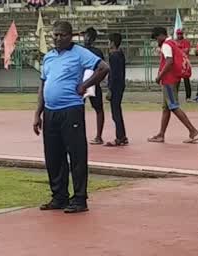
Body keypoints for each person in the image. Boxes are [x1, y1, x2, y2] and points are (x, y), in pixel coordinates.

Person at [33, 20, 109, 213]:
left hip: (71, 109)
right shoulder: (48, 57)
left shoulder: (79, 53)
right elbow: (43, 85)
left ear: (71, 36)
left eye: (62, 35)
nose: (58, 38)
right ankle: (59, 196)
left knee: (76, 154)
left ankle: (79, 198)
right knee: (53, 156)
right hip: (50, 111)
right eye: (55, 35)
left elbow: (103, 68)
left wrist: (85, 85)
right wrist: (37, 113)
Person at [147, 27, 198, 144]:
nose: (157, 41)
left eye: (157, 38)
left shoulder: (166, 45)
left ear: (161, 35)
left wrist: (160, 76)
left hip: (168, 80)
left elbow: (169, 61)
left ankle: (192, 130)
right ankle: (161, 134)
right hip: (173, 79)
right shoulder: (173, 43)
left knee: (173, 106)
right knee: (166, 108)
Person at [82, 27, 106, 145]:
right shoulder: (79, 50)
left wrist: (97, 80)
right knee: (77, 108)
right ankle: (78, 134)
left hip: (93, 83)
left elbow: (102, 68)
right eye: (85, 36)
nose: (86, 38)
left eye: (88, 36)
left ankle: (99, 136)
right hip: (81, 83)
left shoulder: (96, 52)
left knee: (99, 109)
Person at [105, 32, 128, 147]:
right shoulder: (120, 54)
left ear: (112, 43)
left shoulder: (113, 55)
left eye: (109, 41)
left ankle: (120, 137)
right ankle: (122, 135)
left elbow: (113, 74)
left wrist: (110, 89)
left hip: (115, 86)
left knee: (115, 113)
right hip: (120, 85)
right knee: (117, 110)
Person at [174, 29, 192, 101]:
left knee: (186, 80)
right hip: (177, 63)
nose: (179, 35)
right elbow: (174, 51)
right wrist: (181, 49)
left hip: (184, 63)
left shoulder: (186, 42)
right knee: (176, 81)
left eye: (181, 34)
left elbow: (186, 50)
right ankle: (175, 97)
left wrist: (178, 49)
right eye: (178, 34)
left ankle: (188, 97)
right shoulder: (174, 42)